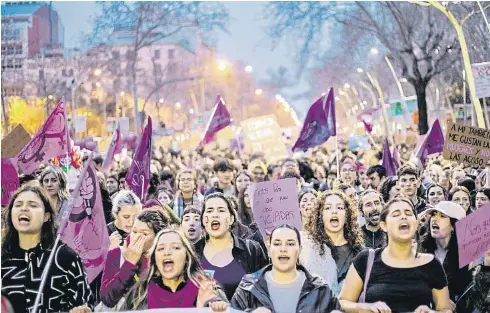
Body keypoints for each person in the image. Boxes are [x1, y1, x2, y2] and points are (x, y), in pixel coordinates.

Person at [338, 198, 452, 313]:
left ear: (416, 222)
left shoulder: (431, 263)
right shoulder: (366, 259)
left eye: (408, 213)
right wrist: (364, 308)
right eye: (396, 214)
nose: (403, 217)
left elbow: (446, 309)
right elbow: (342, 303)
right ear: (383, 226)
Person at [1, 185, 93, 313]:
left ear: (46, 216)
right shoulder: (3, 257)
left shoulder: (65, 257)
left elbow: (84, 301)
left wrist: (80, 310)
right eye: (18, 205)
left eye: (33, 205)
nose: (24, 208)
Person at [231, 225, 341, 313]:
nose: (283, 249)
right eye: (277, 243)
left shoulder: (320, 290)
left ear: (300, 250)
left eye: (290, 243)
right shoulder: (248, 288)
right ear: (269, 250)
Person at [122, 229, 229, 311]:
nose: (167, 252)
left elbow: (217, 301)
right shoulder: (141, 291)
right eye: (161, 248)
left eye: (176, 248)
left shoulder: (205, 285)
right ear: (155, 259)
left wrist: (218, 307)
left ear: (187, 257)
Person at [194, 193, 268, 300]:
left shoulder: (251, 250)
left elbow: (264, 292)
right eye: (209, 210)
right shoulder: (192, 253)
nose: (215, 215)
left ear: (232, 219)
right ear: (203, 220)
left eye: (221, 210)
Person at [100, 209, 171, 308]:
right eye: (134, 231)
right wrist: (129, 264)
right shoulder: (116, 253)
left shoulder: (166, 259)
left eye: (144, 234)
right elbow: (108, 299)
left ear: (157, 238)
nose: (136, 237)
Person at [305, 190, 364, 295]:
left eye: (340, 207)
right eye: (328, 208)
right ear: (320, 215)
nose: (334, 211)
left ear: (347, 215)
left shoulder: (360, 252)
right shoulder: (307, 249)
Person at [419, 201, 473, 313]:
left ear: (454, 226)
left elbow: (469, 292)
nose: (434, 219)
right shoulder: (421, 250)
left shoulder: (467, 255)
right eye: (433, 214)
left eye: (442, 216)